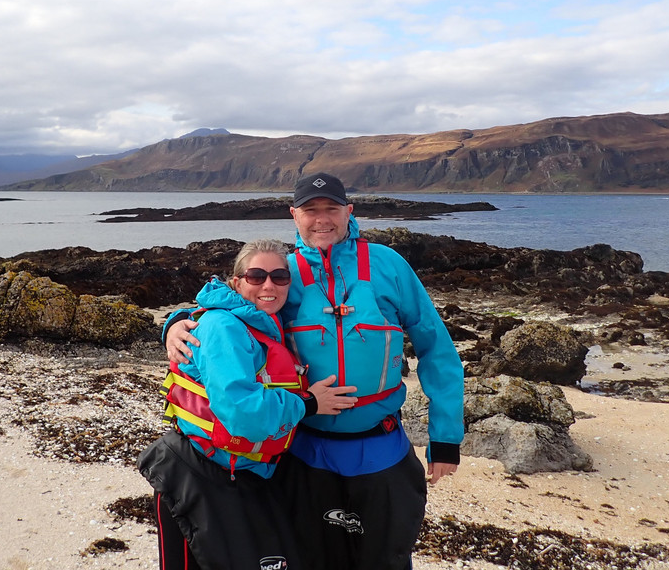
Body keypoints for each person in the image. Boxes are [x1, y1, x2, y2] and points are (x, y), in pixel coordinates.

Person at [167, 173, 465, 570]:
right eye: (310, 210)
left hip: (382, 447)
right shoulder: (283, 275)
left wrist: (444, 439)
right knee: (309, 557)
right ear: (294, 215)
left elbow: (437, 349)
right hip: (304, 452)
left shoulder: (389, 265)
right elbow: (234, 309)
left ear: (349, 212)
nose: (321, 219)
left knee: (385, 558)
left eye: (331, 208)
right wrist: (176, 321)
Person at [139, 238, 357, 570]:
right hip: (200, 473)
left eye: (280, 277)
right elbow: (244, 414)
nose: (269, 285)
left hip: (246, 471)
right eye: (256, 276)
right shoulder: (224, 326)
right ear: (237, 282)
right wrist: (310, 404)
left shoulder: (268, 322)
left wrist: (174, 319)